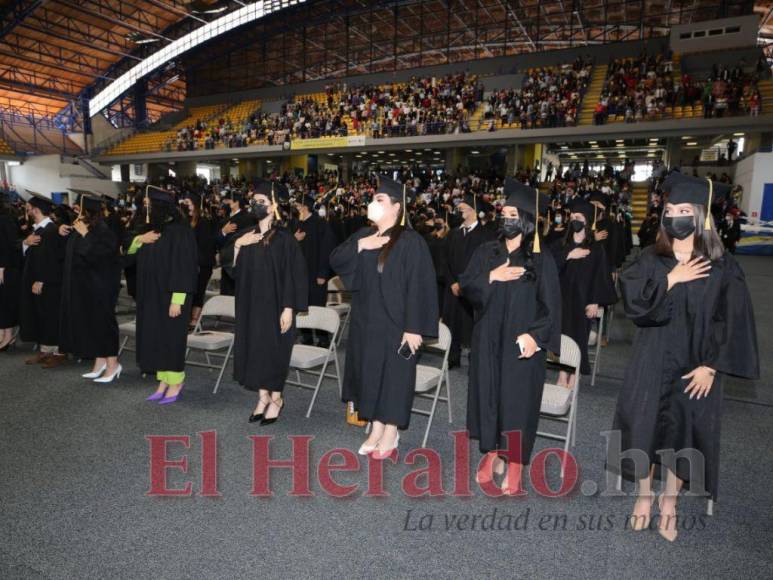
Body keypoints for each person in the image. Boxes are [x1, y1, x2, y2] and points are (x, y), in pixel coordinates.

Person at [609, 172, 759, 542]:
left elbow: (734, 321)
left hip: (696, 367)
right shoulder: (649, 259)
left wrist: (712, 366)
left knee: (684, 433)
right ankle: (644, 497)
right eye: (670, 209)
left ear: (700, 215)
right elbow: (633, 304)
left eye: (684, 209)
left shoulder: (722, 267)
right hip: (652, 359)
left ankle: (669, 502)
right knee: (642, 429)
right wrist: (670, 280)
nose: (674, 215)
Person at [459, 177, 561, 494]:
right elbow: (467, 287)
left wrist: (536, 337)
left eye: (515, 214)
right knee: (489, 398)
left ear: (528, 221)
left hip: (522, 347)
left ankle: (515, 461)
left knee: (516, 403)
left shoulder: (541, 260)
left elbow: (552, 309)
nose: (508, 218)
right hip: (487, 340)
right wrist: (492, 275)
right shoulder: (487, 251)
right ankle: (492, 452)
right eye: (506, 212)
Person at [330, 176, 439, 459]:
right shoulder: (364, 235)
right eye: (373, 199)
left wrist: (414, 327)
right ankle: (376, 426)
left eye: (379, 200)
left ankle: (391, 430)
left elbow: (420, 286)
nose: (372, 204)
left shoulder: (411, 241)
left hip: (398, 324)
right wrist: (361, 246)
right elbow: (336, 259)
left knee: (393, 379)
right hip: (367, 320)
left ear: (396, 207)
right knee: (370, 375)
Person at [232, 180, 308, 425]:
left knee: (273, 353)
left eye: (261, 202)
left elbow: (294, 276)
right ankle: (262, 397)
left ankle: (276, 398)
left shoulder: (285, 240)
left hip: (276, 306)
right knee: (255, 350)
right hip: (251, 306)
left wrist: (288, 309)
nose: (255, 205)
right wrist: (237, 245)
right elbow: (235, 273)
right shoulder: (247, 236)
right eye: (253, 201)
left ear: (274, 205)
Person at [128, 187, 198, 404]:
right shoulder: (150, 231)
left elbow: (185, 267)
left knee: (170, 338)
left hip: (172, 295)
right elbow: (128, 257)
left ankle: (176, 380)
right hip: (151, 293)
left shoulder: (180, 231)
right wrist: (139, 240)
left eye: (149, 204)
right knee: (156, 336)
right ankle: (163, 380)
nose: (145, 208)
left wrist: (178, 299)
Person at [549, 198, 617, 387]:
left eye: (578, 217)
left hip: (583, 301)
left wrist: (595, 301)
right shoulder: (561, 244)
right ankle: (563, 374)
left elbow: (600, 276)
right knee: (562, 337)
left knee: (578, 336)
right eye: (572, 217)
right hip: (561, 298)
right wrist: (569, 255)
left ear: (587, 221)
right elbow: (547, 268)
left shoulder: (596, 249)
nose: (574, 220)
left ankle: (575, 374)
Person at [58, 195, 122, 382]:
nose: (75, 213)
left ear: (89, 213)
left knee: (104, 325)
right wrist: (60, 231)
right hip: (85, 287)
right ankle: (99, 361)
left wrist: (85, 235)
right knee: (92, 325)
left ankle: (113, 364)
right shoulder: (82, 228)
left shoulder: (104, 231)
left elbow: (103, 258)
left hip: (101, 287)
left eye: (79, 210)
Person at [442, 194, 496, 368]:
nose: (460, 209)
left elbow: (486, 265)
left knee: (473, 324)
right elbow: (445, 261)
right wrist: (452, 282)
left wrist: (465, 284)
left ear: (475, 211)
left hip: (473, 288)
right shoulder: (453, 234)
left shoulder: (486, 235)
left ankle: (475, 358)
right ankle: (453, 356)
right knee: (452, 322)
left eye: (464, 206)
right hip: (452, 288)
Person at [19, 193, 67, 368]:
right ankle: (46, 350)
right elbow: (34, 256)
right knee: (43, 316)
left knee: (52, 316)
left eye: (29, 209)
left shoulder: (52, 231)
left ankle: (58, 352)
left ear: (36, 210)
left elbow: (54, 260)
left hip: (50, 283)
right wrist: (26, 243)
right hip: (39, 281)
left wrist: (41, 279)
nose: (28, 212)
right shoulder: (39, 230)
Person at [292, 194, 335, 347]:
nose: (296, 209)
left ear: (305, 207)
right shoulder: (297, 224)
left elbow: (327, 249)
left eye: (298, 206)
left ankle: (323, 338)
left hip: (316, 272)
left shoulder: (320, 223)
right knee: (303, 305)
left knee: (317, 305)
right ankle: (306, 336)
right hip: (301, 274)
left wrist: (323, 272)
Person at [181, 193, 216, 329]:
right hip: (188, 262)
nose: (186, 205)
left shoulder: (203, 222)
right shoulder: (184, 221)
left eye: (188, 203)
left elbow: (205, 246)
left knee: (198, 291)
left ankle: (195, 319)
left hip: (202, 263)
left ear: (195, 204)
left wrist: (196, 261)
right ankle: (186, 316)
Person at [217, 190, 255, 296]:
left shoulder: (248, 218)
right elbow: (216, 241)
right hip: (226, 263)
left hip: (241, 262)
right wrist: (223, 232)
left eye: (227, 200)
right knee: (226, 296)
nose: (225, 202)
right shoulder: (224, 220)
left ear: (236, 202)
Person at [0, 192, 21, 350]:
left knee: (5, 303)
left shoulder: (5, 219)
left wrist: (2, 266)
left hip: (6, 268)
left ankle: (8, 335)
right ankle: (4, 334)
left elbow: (10, 245)